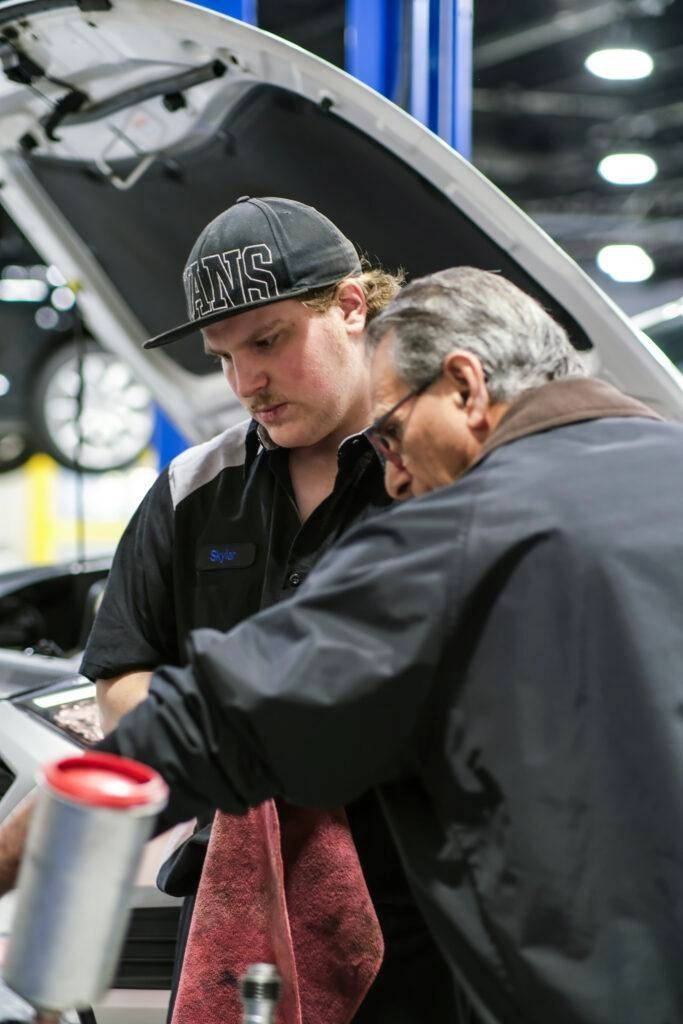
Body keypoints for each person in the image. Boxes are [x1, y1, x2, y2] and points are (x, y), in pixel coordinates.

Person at [2, 265, 682, 1022]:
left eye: (389, 437)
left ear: (464, 387)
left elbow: (204, 726)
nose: (391, 480)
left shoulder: (459, 537)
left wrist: (12, 857)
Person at [77, 196, 457, 1024]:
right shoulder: (192, 492)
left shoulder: (442, 478)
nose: (245, 381)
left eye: (267, 341)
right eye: (222, 357)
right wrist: (241, 764)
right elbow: (120, 676)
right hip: (238, 893)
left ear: (351, 306)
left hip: (425, 904)